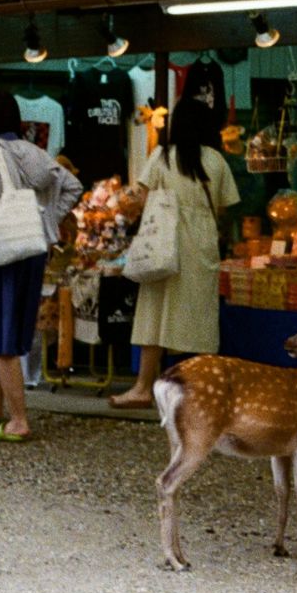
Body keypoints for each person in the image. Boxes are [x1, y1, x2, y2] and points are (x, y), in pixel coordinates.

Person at [0, 90, 82, 441]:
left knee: (1, 339)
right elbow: (73, 186)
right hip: (30, 252)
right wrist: (46, 224)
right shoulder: (35, 151)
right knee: (12, 332)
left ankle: (18, 419)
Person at [109, 97, 239, 409]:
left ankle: (143, 387)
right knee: (198, 318)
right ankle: (198, 391)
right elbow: (225, 206)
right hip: (201, 245)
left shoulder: (162, 156)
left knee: (154, 316)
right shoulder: (216, 161)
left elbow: (140, 196)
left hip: (162, 244)